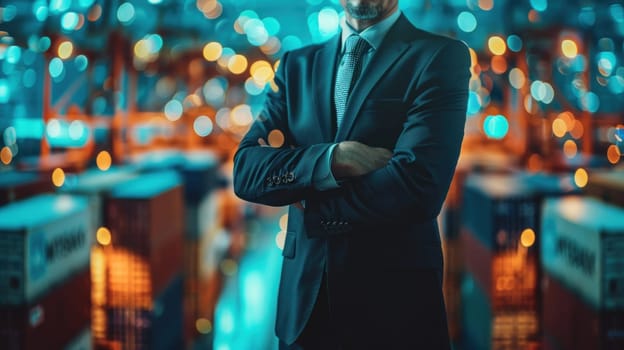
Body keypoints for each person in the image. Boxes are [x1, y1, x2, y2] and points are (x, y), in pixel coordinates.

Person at [233, 0, 470, 348]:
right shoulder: (296, 66)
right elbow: (247, 171)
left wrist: (307, 197)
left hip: (397, 317)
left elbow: (416, 188)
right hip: (304, 319)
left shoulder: (440, 57)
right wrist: (332, 160)